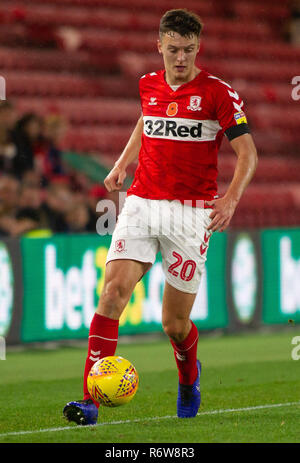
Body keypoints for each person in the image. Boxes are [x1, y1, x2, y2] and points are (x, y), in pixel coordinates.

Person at [63, 9, 257, 425]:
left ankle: (189, 380)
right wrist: (122, 164)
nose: (181, 58)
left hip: (191, 215)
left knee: (174, 323)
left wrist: (231, 200)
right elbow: (147, 121)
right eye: (173, 50)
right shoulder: (148, 84)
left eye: (188, 50)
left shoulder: (218, 93)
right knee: (113, 293)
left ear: (198, 47)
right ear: (159, 46)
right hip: (142, 202)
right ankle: (90, 402)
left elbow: (248, 153)